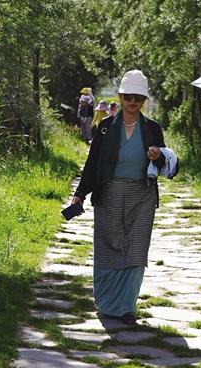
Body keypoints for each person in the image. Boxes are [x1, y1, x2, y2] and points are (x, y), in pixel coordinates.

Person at [70, 70, 168, 325]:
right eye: (128, 96)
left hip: (142, 195)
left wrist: (159, 157)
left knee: (136, 250)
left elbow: (165, 165)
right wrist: (80, 194)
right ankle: (106, 304)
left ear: (144, 100)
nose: (133, 101)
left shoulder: (152, 129)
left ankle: (126, 307)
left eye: (138, 97)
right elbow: (93, 164)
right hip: (109, 193)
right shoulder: (104, 128)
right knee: (108, 248)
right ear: (120, 97)